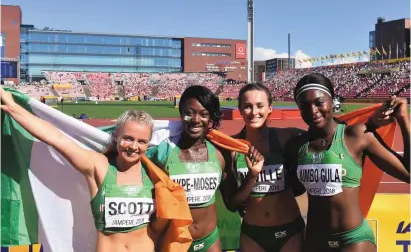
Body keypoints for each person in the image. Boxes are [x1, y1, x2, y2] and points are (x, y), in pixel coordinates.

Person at [0, 87, 169, 252]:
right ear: (116, 136)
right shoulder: (99, 166)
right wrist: (13, 108)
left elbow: (162, 224)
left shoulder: (154, 174)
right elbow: (57, 138)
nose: (133, 146)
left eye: (141, 141)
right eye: (128, 138)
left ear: (148, 144)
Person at [287, 73, 410, 252]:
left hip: (353, 239)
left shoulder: (356, 135)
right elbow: (295, 189)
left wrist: (404, 120)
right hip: (315, 240)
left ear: (332, 100)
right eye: (304, 106)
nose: (313, 111)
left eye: (319, 102)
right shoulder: (297, 145)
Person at [221, 83, 305, 252]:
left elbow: (319, 133)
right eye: (247, 106)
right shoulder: (231, 147)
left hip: (289, 231)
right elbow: (232, 204)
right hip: (253, 234)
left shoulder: (286, 137)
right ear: (239, 108)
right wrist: (252, 176)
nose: (254, 112)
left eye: (260, 106)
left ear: (270, 108)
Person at [147, 85, 228, 252]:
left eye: (204, 114)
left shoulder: (219, 155)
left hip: (210, 240)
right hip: (173, 241)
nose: (196, 119)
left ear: (210, 117)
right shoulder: (162, 152)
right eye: (189, 112)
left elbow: (232, 196)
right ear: (181, 114)